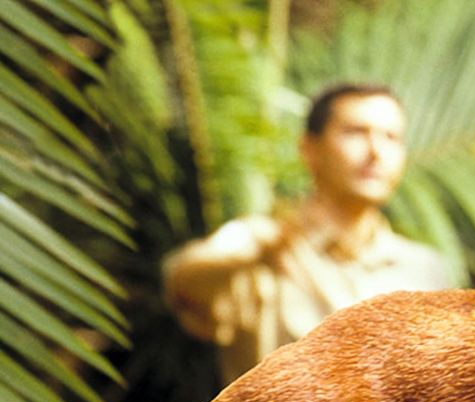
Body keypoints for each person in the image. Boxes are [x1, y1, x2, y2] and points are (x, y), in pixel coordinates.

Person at [163, 83, 456, 385]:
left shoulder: (424, 269)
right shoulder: (258, 241)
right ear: (309, 149)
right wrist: (251, 255)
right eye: (355, 132)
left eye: (391, 137)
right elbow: (183, 281)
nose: (376, 152)